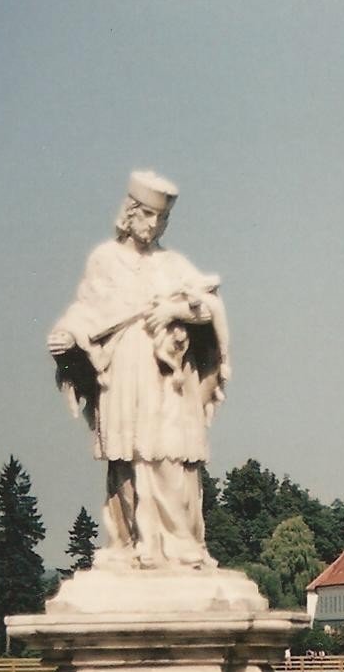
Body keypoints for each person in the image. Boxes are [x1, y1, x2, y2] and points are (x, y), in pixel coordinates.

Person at [47, 171, 230, 569]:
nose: (154, 225)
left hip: (168, 377)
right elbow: (86, 311)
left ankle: (178, 544)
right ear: (129, 213)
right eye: (148, 215)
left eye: (161, 219)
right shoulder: (105, 261)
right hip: (124, 369)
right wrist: (67, 335)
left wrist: (174, 310)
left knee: (168, 452)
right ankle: (130, 542)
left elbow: (209, 307)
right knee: (127, 455)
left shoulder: (173, 264)